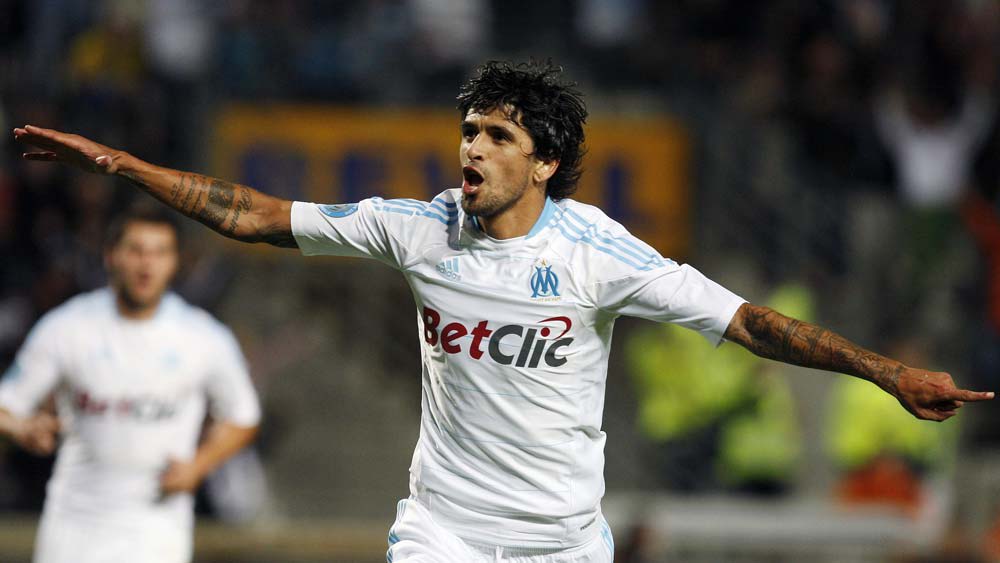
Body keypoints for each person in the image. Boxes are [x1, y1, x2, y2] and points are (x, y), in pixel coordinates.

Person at [13, 60, 992, 563]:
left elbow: (752, 323)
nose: (470, 150)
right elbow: (256, 215)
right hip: (442, 530)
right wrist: (124, 164)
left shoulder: (598, 254)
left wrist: (886, 372)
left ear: (546, 161)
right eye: (467, 130)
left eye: (495, 135)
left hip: (562, 539)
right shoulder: (418, 227)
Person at [0, 204, 261, 563]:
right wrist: (22, 428)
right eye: (136, 250)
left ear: (175, 262)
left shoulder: (203, 337)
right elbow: (6, 405)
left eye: (159, 252)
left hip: (156, 533)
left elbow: (243, 416)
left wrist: (199, 465)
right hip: (74, 529)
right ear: (111, 256)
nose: (146, 264)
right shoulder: (66, 327)